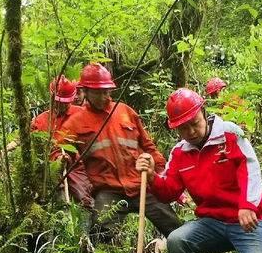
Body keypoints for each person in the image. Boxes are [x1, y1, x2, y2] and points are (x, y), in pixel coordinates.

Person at [136, 88, 262, 253]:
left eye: (194, 123)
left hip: (249, 221)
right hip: (212, 223)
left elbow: (250, 168)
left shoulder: (230, 134)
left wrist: (247, 205)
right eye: (183, 128)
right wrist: (153, 177)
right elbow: (169, 192)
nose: (191, 131)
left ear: (203, 113)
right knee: (177, 240)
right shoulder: (179, 153)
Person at [60, 62, 182, 241]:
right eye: (98, 92)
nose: (104, 97)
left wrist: (160, 172)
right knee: (100, 234)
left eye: (107, 91)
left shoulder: (125, 112)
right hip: (108, 190)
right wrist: (60, 159)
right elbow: (58, 150)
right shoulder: (75, 123)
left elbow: (148, 146)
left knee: (176, 230)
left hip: (140, 184)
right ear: (85, 91)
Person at [0, 75, 93, 207]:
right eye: (60, 101)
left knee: (85, 200)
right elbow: (21, 139)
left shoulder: (81, 114)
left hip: (75, 166)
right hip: (50, 169)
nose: (63, 105)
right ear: (52, 98)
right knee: (57, 202)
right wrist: (2, 151)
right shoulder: (40, 120)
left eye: (66, 102)